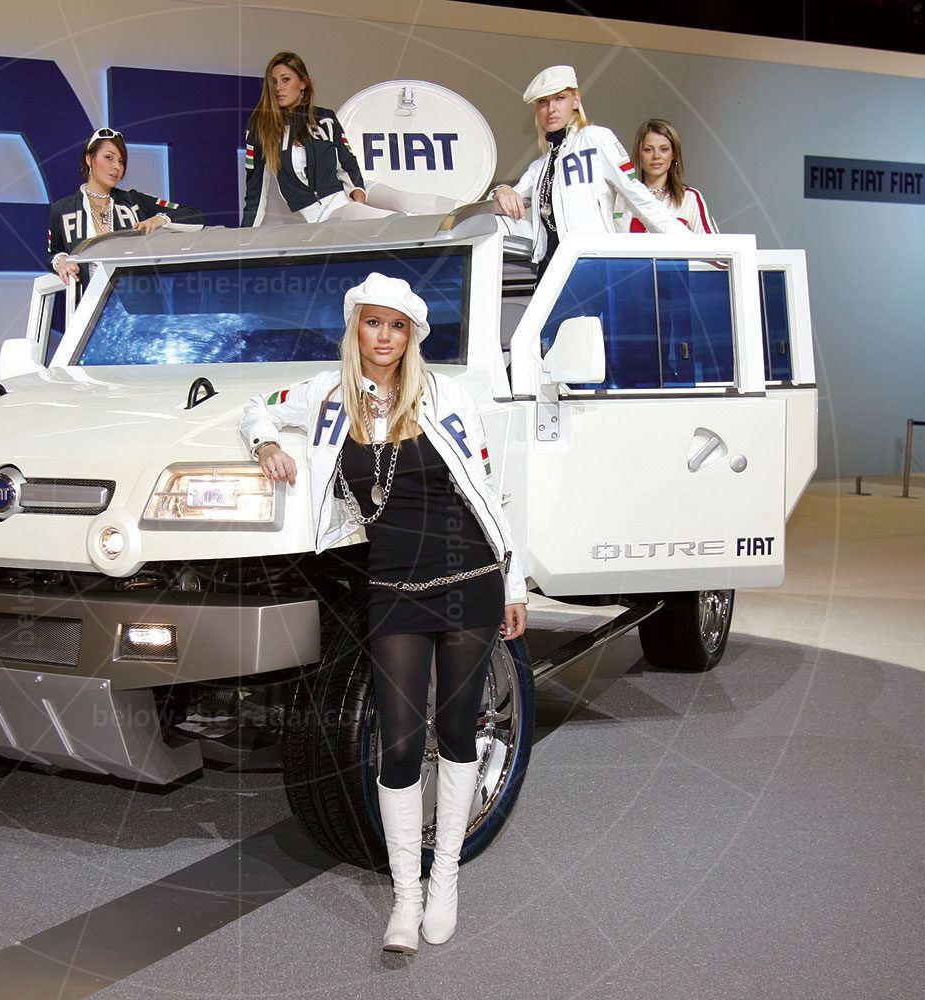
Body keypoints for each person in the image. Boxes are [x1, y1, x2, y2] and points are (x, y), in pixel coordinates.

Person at [240, 273, 529, 955]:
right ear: (356, 327)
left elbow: (488, 494)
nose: (384, 338)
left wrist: (514, 581)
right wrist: (266, 444)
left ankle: (445, 878)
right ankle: (405, 897)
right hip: (394, 584)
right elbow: (258, 406)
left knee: (458, 733)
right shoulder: (327, 397)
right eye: (373, 323)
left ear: (412, 336)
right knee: (398, 744)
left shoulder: (446, 396)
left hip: (470, 578)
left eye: (397, 327)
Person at [490, 65, 686, 276]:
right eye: (542, 102)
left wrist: (691, 244)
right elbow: (508, 199)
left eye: (560, 98)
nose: (551, 109)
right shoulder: (540, 166)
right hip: (551, 271)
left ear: (576, 100)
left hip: (593, 266)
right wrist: (501, 190)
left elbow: (635, 193)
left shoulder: (595, 138)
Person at [241, 52, 396, 227]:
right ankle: (407, 230)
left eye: (285, 80)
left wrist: (358, 191)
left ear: (303, 83)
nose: (278, 88)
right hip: (323, 214)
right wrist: (243, 240)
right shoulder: (261, 129)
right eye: (273, 82)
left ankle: (427, 227)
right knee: (378, 218)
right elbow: (256, 192)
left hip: (349, 194)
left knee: (401, 199)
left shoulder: (325, 118)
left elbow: (347, 162)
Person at [47, 128, 204, 287]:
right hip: (87, 305)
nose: (116, 166)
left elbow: (194, 215)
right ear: (89, 159)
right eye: (109, 157)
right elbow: (53, 253)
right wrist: (60, 261)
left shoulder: (134, 201)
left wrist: (160, 219)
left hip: (134, 303)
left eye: (121, 161)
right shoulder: (62, 209)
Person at [615, 118, 718, 234]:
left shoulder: (690, 197)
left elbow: (713, 246)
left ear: (673, 154)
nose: (656, 156)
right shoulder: (623, 198)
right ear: (639, 154)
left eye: (664, 149)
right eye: (648, 150)